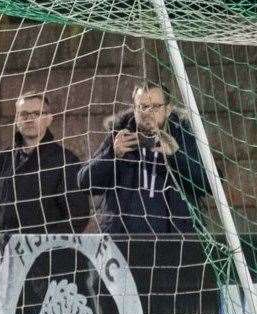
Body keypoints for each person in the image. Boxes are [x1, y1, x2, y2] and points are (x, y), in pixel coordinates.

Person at [78, 80, 209, 234]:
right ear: (134, 109)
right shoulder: (119, 136)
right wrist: (112, 155)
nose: (148, 112)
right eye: (143, 107)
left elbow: (208, 185)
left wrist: (176, 156)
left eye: (155, 106)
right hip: (123, 242)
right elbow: (85, 182)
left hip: (176, 241)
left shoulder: (183, 137)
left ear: (168, 109)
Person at [0, 91, 88, 234]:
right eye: (24, 114)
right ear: (17, 119)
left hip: (46, 253)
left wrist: (48, 247)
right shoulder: (4, 159)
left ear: (49, 119)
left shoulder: (65, 161)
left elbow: (78, 216)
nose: (30, 119)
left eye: (36, 114)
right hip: (3, 251)